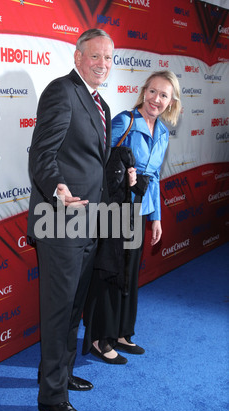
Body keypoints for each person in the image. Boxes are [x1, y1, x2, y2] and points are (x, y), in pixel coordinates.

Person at [27, 29, 116, 411]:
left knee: (74, 307)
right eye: (96, 56)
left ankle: (60, 375)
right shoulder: (61, 91)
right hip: (60, 221)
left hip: (89, 222)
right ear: (78, 57)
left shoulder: (103, 105)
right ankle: (51, 398)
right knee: (58, 310)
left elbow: (92, 163)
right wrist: (57, 188)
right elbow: (42, 155)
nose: (103, 64)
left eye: (109, 58)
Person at [82, 70, 181, 364]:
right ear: (143, 91)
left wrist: (157, 218)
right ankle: (101, 337)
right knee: (110, 271)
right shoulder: (125, 122)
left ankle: (122, 332)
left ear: (171, 101)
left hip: (139, 210)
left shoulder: (162, 131)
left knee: (128, 272)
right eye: (152, 91)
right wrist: (123, 175)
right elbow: (99, 161)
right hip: (116, 208)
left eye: (163, 95)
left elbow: (155, 177)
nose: (156, 99)